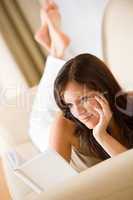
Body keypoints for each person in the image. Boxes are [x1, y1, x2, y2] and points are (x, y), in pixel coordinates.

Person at [34, 0, 133, 172]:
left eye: (85, 98)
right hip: (47, 132)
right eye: (70, 104)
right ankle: (55, 52)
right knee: (38, 123)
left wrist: (101, 135)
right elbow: (55, 180)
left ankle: (55, 50)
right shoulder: (65, 123)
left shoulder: (129, 105)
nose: (78, 111)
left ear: (105, 90)